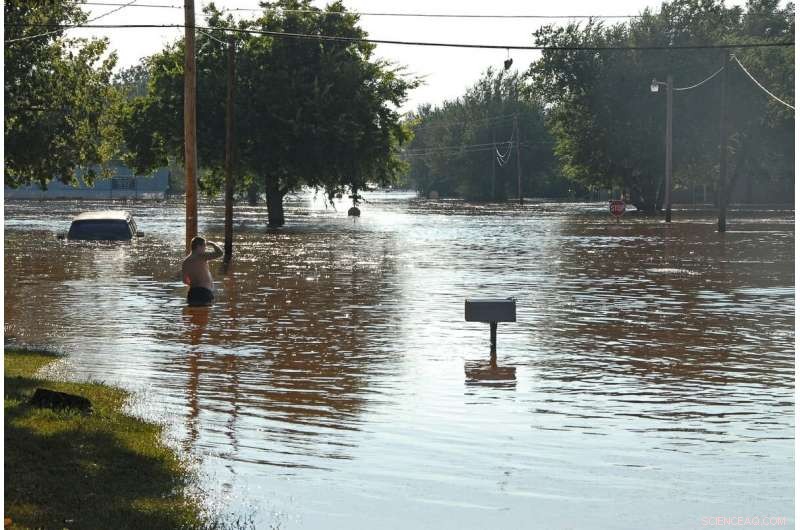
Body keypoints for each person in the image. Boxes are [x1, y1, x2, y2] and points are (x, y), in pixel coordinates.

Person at [182, 236, 223, 306]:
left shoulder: (185, 261)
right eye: (204, 246)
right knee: (204, 315)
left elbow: (185, 280)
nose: (205, 249)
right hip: (204, 293)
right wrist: (213, 244)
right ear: (198, 246)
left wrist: (195, 284)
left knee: (193, 315)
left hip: (192, 293)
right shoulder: (202, 256)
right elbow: (220, 253)